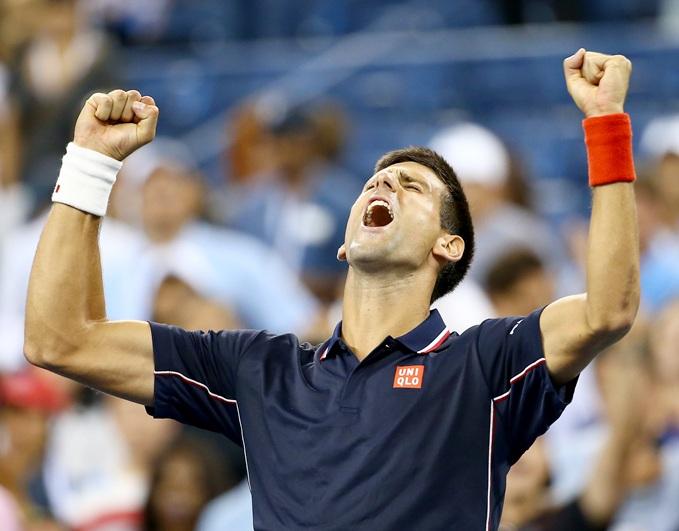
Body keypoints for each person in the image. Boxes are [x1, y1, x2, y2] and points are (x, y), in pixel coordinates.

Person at [23, 49, 639, 530]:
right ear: (344, 244)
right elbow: (62, 340)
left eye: (412, 187)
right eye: (376, 181)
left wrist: (606, 125)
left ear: (447, 248)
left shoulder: (484, 363)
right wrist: (90, 163)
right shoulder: (260, 371)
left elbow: (608, 309)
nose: (385, 186)